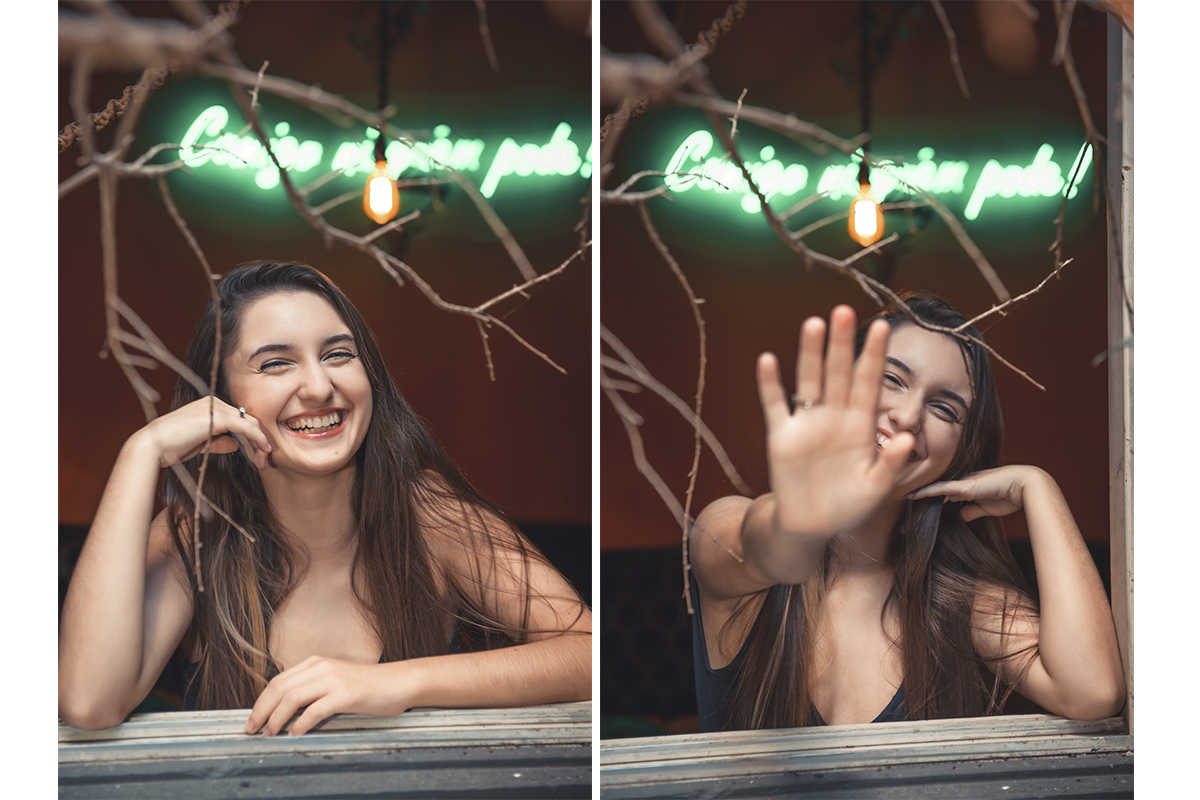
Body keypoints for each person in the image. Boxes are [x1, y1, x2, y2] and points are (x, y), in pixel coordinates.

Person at [59, 261, 591, 735]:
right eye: (275, 364)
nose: (318, 386)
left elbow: (588, 657)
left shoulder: (429, 516)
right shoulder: (195, 533)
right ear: (220, 399)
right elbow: (88, 703)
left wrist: (392, 685)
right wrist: (141, 451)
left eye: (338, 354)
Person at [689, 291, 1124, 732]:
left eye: (944, 409)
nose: (909, 416)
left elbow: (1091, 693)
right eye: (892, 379)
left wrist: (1038, 486)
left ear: (959, 454)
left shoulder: (959, 599)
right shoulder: (720, 527)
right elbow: (770, 551)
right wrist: (800, 523)